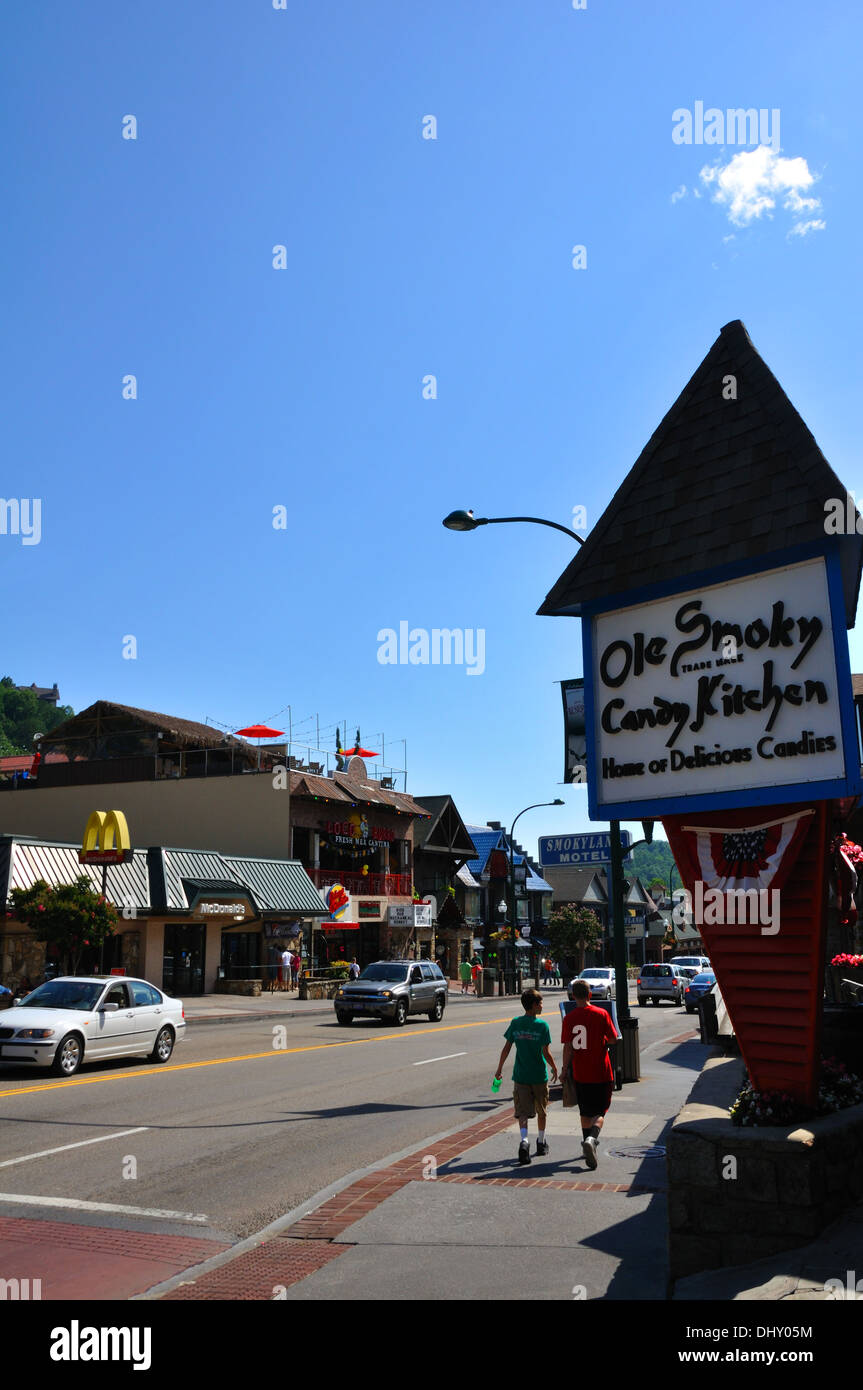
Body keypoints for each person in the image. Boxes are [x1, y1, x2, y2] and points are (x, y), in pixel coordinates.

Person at [494, 988, 559, 1164]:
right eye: (540, 1003)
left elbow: (507, 1047)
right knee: (541, 1111)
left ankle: (524, 1141)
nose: (542, 1006)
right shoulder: (542, 1026)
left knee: (522, 1112)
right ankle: (540, 1141)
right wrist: (554, 1067)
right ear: (533, 1005)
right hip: (539, 1076)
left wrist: (499, 1068)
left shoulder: (516, 1023)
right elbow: (546, 1052)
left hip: (521, 1076)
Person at [561, 979, 619, 1169]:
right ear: (590, 995)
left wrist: (563, 1070)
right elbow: (612, 1039)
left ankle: (587, 1145)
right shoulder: (601, 1014)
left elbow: (568, 1047)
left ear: (573, 996)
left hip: (581, 1072)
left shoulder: (569, 1018)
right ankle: (592, 1139)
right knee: (600, 1112)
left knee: (585, 1112)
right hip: (601, 1071)